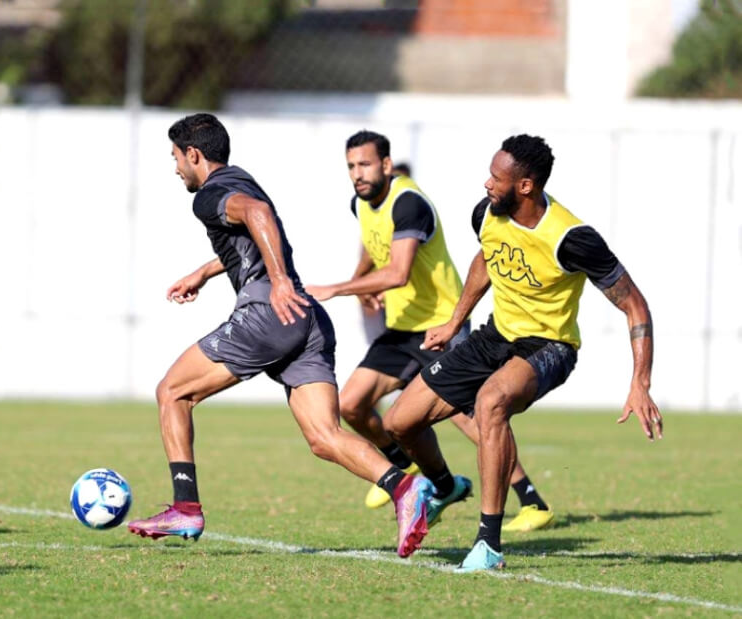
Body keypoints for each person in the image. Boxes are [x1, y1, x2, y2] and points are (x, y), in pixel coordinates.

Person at [126, 113, 437, 559]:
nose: (175, 168)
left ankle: (185, 506)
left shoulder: (210, 195)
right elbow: (256, 229)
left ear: (193, 155)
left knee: (172, 392)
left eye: (176, 158)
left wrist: (277, 282)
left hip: (268, 313)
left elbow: (258, 215)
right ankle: (404, 487)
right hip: (306, 317)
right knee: (324, 436)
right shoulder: (242, 179)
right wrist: (208, 271)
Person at [382, 134, 661, 572]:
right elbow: (487, 258)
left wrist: (640, 382)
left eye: (497, 177)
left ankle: (488, 544)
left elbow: (634, 304)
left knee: (491, 403)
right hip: (493, 338)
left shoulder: (572, 238)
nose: (487, 184)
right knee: (399, 423)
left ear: (526, 186)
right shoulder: (487, 213)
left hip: (549, 347)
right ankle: (444, 486)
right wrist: (455, 322)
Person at [306, 130, 554, 534]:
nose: (357, 173)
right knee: (352, 404)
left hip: (439, 325)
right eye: (351, 166)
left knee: (469, 417)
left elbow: (399, 269)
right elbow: (374, 242)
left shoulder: (410, 204)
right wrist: (361, 279)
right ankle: (427, 478)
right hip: (402, 327)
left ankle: (531, 501)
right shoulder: (362, 202)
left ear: (386, 165)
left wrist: (339, 287)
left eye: (365, 164)